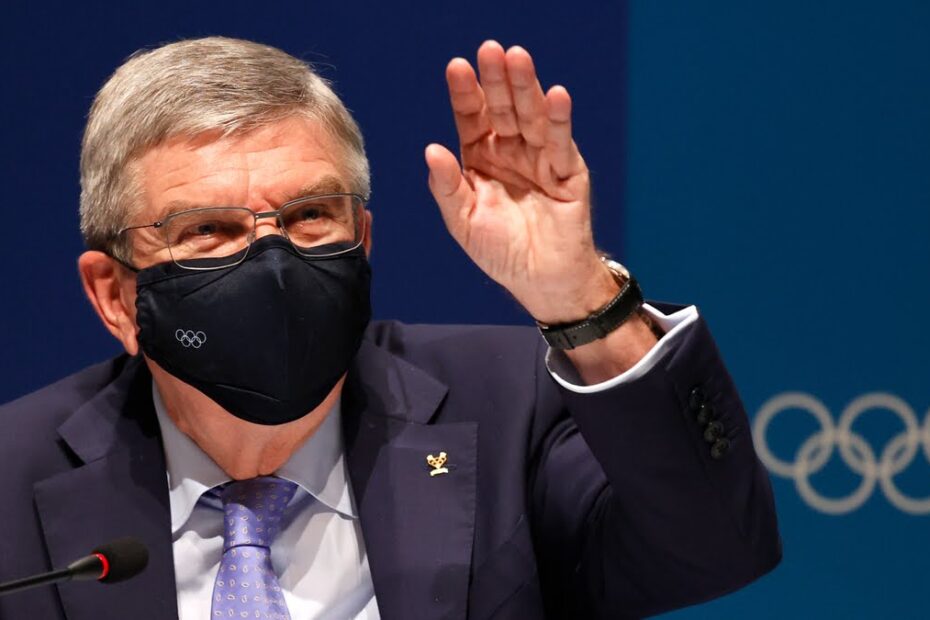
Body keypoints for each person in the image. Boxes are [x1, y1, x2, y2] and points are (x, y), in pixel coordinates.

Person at [0, 37, 780, 619]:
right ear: (114, 296)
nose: (272, 262)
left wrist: (581, 298)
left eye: (310, 215)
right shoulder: (11, 481)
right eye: (208, 230)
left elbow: (715, 546)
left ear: (363, 242)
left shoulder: (508, 408)